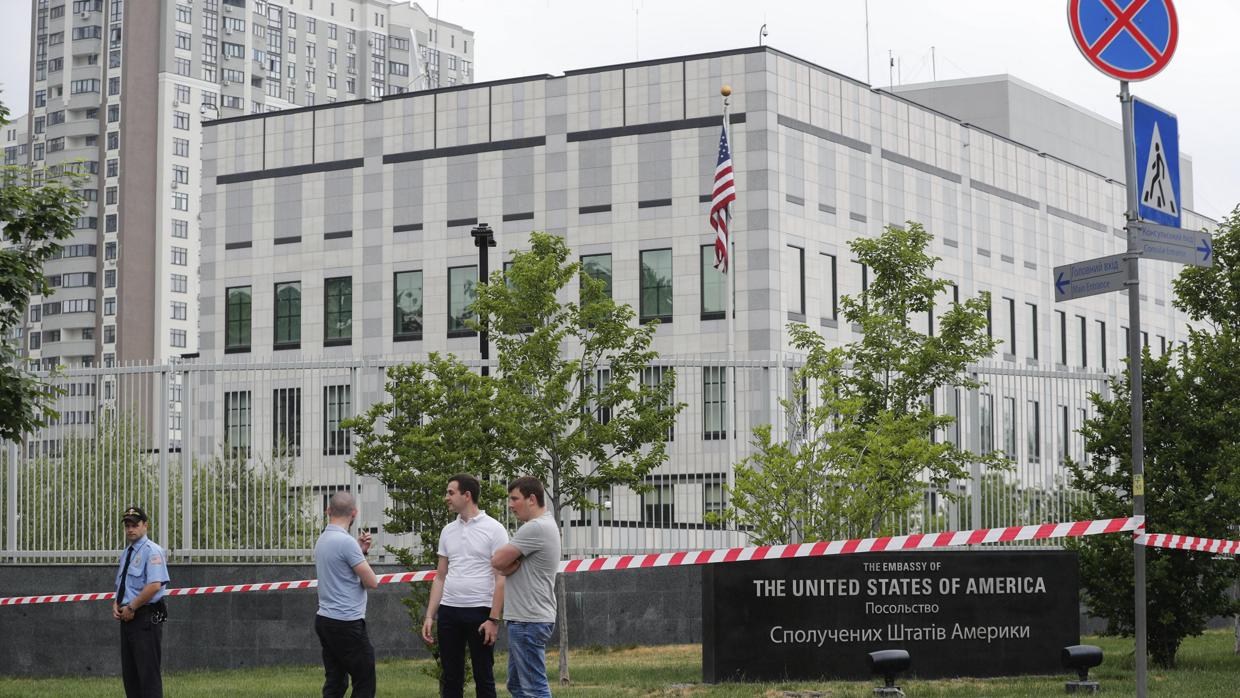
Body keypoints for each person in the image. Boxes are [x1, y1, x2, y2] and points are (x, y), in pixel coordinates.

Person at [421, 474, 509, 698]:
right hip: (449, 612)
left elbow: (501, 578)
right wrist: (430, 615)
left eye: (451, 493)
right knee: (451, 678)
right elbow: (440, 577)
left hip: (480, 612)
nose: (446, 498)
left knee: (484, 678)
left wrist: (493, 619)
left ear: (467, 495)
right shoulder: (447, 531)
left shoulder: (495, 529)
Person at [491, 476, 561, 698]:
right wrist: (506, 567)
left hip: (528, 620)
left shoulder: (535, 528)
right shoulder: (544, 525)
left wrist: (504, 566)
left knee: (534, 689)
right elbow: (502, 565)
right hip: (526, 619)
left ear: (532, 499)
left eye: (514, 499)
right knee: (518, 686)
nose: (510, 505)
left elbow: (496, 561)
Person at [314, 491, 379, 698]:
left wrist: (360, 551)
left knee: (335, 680)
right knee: (365, 680)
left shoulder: (323, 539)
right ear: (354, 513)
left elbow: (342, 569)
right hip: (347, 622)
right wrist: (359, 552)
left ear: (328, 511)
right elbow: (371, 582)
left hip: (325, 619)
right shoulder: (347, 543)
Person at [112, 505, 170, 698]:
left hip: (144, 619)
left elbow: (154, 585)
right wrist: (116, 603)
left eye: (135, 525)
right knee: (131, 677)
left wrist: (131, 606)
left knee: (148, 677)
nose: (130, 529)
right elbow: (123, 584)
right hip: (127, 619)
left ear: (145, 525)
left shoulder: (152, 551)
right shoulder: (127, 553)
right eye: (127, 525)